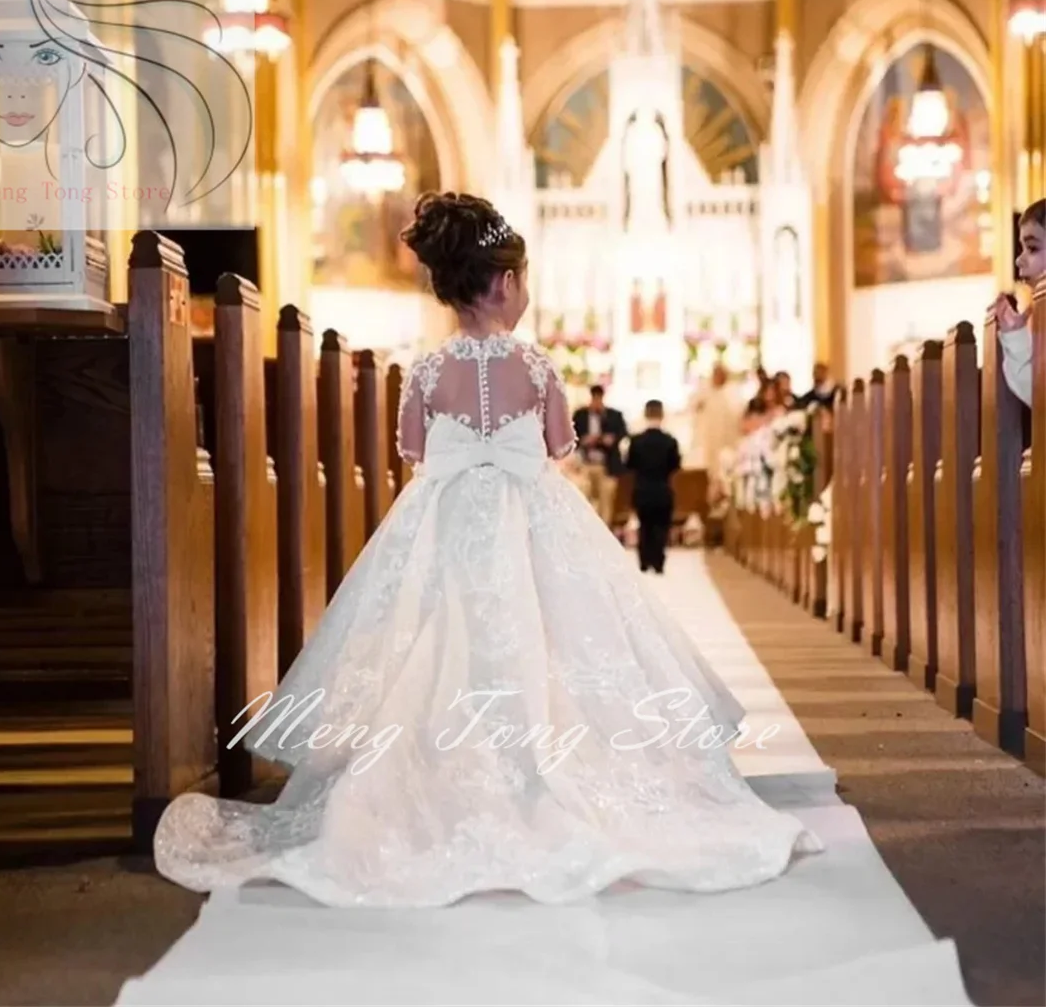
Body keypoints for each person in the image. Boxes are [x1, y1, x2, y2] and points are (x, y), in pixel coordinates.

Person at [152, 191, 820, 908]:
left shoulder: (429, 370)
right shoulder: (535, 367)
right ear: (504, 282)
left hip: (444, 517)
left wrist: (463, 452)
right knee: (554, 632)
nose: (525, 293)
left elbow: (411, 447)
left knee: (441, 633)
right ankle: (545, 766)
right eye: (524, 280)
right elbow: (562, 444)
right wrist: (514, 445)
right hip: (532, 512)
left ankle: (433, 771)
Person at [990, 198, 1044, 409]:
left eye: (1032, 248)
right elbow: (1038, 397)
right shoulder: (1038, 316)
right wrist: (1015, 335)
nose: (1018, 260)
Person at [626, 399, 681, 575]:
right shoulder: (670, 441)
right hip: (663, 489)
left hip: (642, 489)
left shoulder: (636, 441)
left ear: (645, 414)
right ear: (662, 415)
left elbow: (629, 465)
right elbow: (675, 466)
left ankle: (644, 561)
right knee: (661, 526)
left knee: (645, 526)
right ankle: (658, 562)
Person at [572, 384, 628, 528]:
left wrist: (609, 439)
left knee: (606, 501)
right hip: (586, 464)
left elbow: (622, 434)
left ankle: (605, 533)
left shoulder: (614, 415)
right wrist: (584, 440)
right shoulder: (581, 415)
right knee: (583, 499)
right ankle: (585, 531)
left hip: (607, 466)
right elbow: (572, 435)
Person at [692, 363, 743, 507]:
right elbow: (694, 408)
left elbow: (738, 416)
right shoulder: (704, 391)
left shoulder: (733, 394)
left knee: (727, 478)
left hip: (728, 444)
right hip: (708, 443)